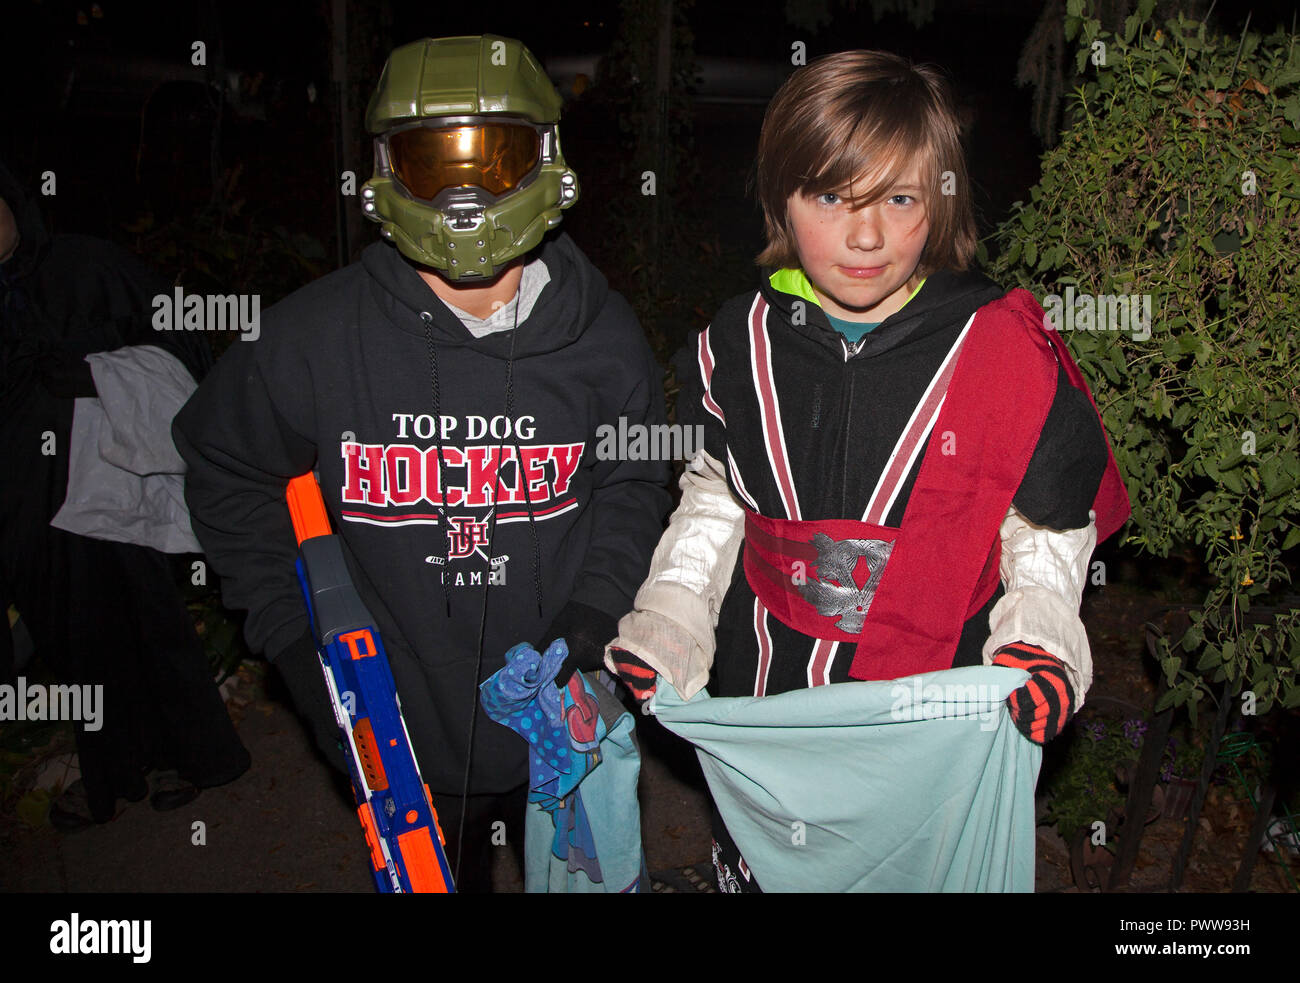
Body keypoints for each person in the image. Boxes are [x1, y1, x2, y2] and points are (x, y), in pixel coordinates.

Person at [607, 50, 1130, 892]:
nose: (865, 236)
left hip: (925, 712)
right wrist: (669, 621)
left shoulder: (999, 350)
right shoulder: (735, 345)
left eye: (898, 198)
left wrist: (1038, 643)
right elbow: (712, 506)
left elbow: (1043, 527)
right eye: (830, 196)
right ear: (780, 197)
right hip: (767, 699)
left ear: (941, 203)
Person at [173, 35, 671, 892]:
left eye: (496, 158)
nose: (467, 194)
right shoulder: (315, 338)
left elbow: (633, 478)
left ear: (547, 162)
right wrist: (294, 642)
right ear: (384, 172)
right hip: (398, 722)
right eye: (433, 162)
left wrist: (594, 613)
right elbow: (224, 464)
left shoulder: (601, 336)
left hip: (558, 704)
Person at [0, 161, 250, 829]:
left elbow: (179, 336)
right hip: (29, 505)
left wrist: (94, 370)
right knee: (70, 639)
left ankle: (187, 755)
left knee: (146, 615)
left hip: (112, 484)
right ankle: (109, 768)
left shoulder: (86, 267)